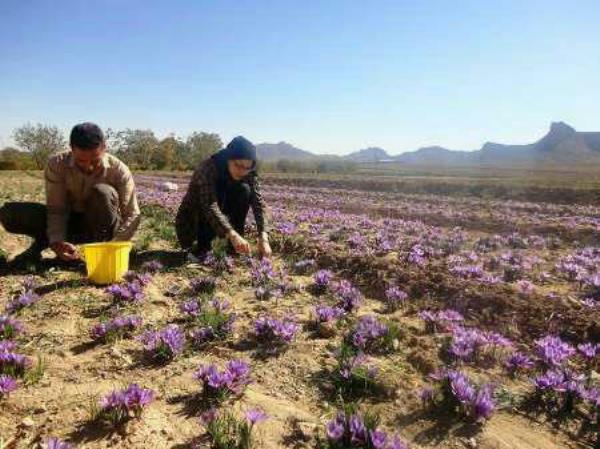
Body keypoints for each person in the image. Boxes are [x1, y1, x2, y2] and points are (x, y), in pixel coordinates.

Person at [0, 122, 140, 266]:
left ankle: (99, 248)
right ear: (71, 148)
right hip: (70, 222)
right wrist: (57, 241)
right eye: (81, 161)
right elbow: (56, 210)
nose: (88, 166)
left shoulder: (118, 170)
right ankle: (46, 243)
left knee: (102, 192)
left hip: (102, 225)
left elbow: (132, 213)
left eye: (95, 160)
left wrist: (114, 246)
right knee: (10, 213)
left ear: (104, 147)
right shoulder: (57, 164)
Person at [176, 136, 272, 259]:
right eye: (238, 165)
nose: (242, 171)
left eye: (247, 167)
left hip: (221, 224)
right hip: (193, 224)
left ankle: (233, 246)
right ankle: (202, 247)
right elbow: (210, 205)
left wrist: (263, 237)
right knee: (204, 252)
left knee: (245, 190)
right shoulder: (208, 168)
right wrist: (232, 235)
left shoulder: (249, 172)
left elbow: (258, 204)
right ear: (228, 159)